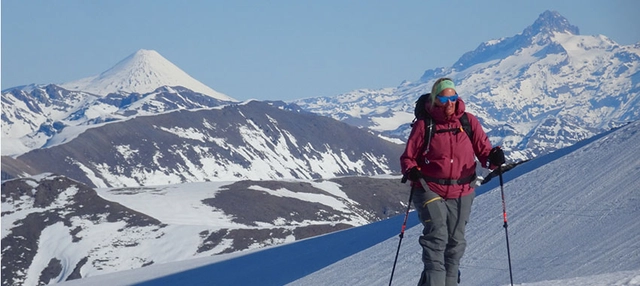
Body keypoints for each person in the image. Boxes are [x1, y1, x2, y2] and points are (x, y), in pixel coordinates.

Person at [400, 78, 505, 286]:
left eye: (453, 98)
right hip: (429, 189)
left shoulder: (468, 122)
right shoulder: (425, 125)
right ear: (435, 99)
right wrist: (411, 171)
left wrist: (493, 158)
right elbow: (408, 158)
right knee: (437, 238)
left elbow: (484, 153)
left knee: (455, 244)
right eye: (443, 98)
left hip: (462, 191)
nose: (449, 103)